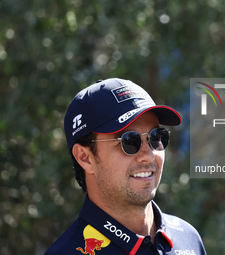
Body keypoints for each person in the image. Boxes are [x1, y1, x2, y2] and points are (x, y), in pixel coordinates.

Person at [44, 78, 207, 255]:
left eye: (155, 137)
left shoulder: (188, 238)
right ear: (85, 158)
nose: (149, 155)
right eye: (129, 141)